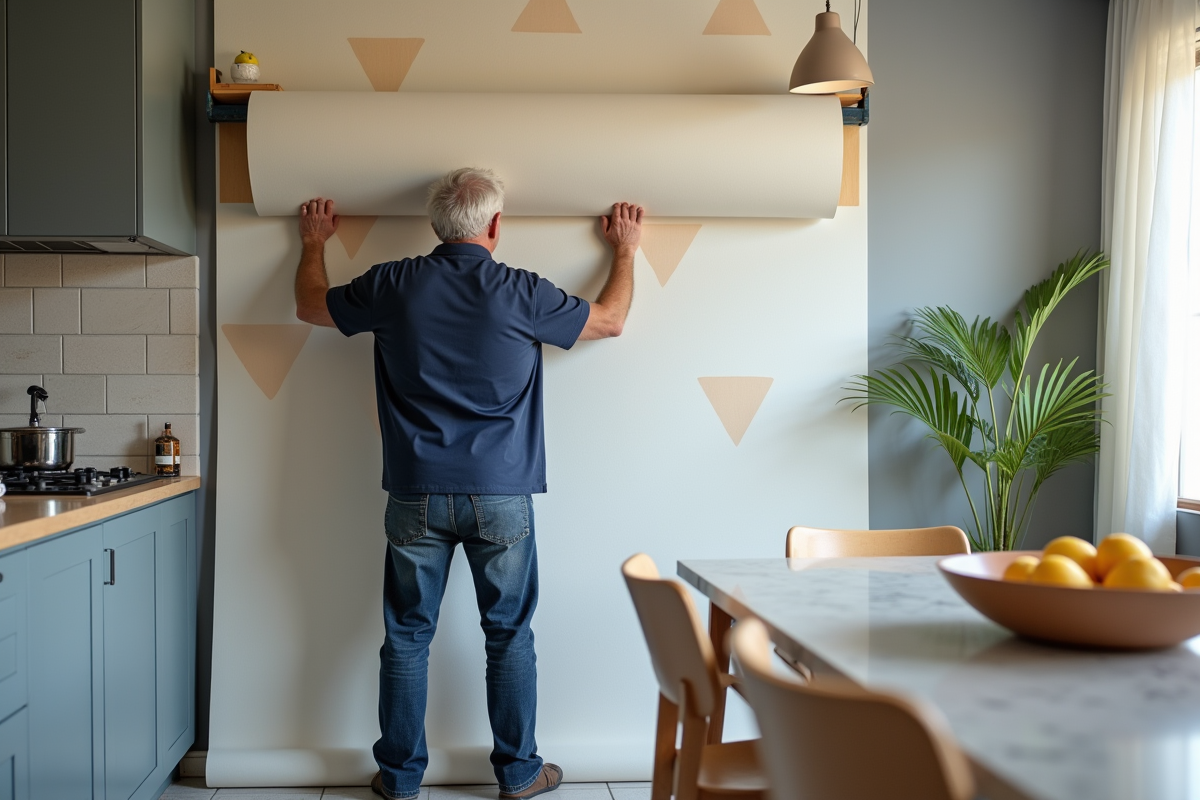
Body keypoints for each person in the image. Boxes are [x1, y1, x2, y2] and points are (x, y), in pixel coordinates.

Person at [293, 168, 642, 800]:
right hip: (501, 494)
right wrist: (625, 250)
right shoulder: (521, 292)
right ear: (495, 226)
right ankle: (518, 774)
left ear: (436, 226)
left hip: (415, 492)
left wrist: (314, 243)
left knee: (406, 636)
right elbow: (612, 320)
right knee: (508, 634)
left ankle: (399, 780)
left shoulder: (393, 284)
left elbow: (312, 306)